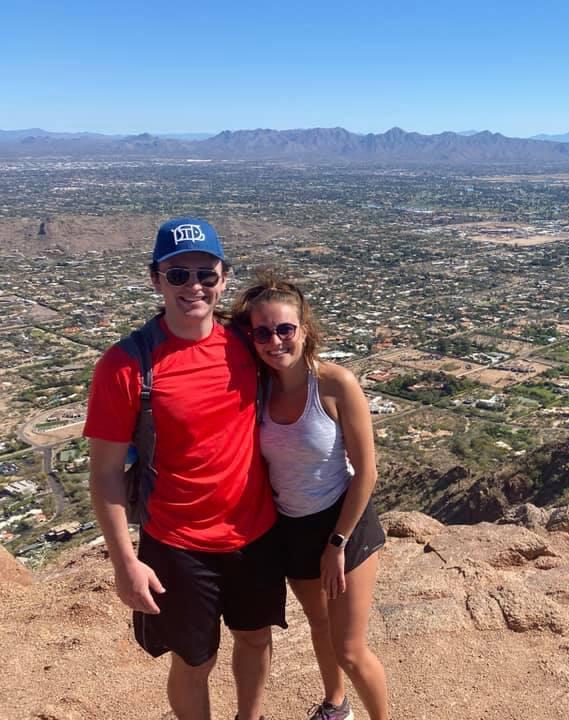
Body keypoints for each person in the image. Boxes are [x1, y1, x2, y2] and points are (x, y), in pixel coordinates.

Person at [84, 218, 286, 720]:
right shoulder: (127, 366)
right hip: (177, 543)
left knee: (256, 639)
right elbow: (106, 473)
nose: (193, 286)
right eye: (178, 275)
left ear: (223, 279)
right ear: (156, 280)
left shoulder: (248, 345)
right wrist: (124, 561)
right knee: (196, 660)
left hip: (255, 532)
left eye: (205, 274)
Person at [231, 272, 388, 720]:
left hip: (343, 523)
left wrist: (337, 544)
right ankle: (336, 706)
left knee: (351, 649)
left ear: (304, 329)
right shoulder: (256, 391)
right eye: (262, 332)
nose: (275, 340)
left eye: (285, 329)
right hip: (291, 527)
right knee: (320, 624)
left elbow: (367, 472)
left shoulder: (334, 384)